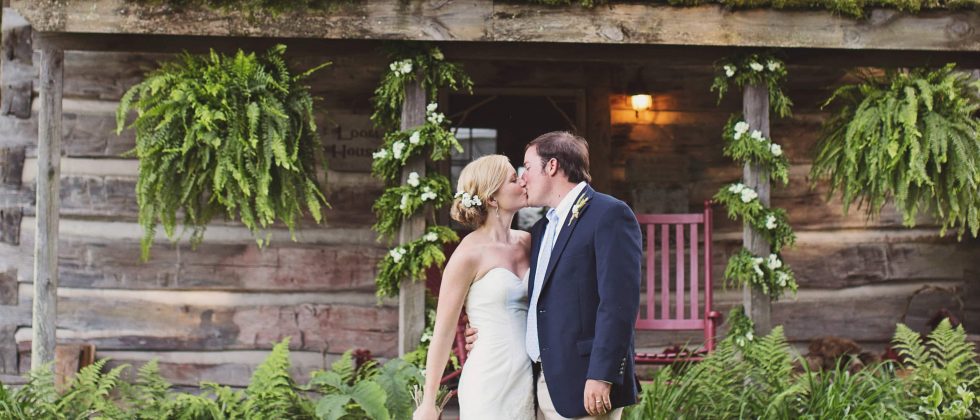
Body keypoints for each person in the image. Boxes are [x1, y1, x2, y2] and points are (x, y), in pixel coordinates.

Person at [468, 131, 642, 419]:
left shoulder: (609, 214)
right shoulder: (540, 230)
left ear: (552, 166)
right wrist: (484, 329)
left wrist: (602, 374)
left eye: (527, 167)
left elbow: (618, 304)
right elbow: (539, 301)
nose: (522, 178)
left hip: (586, 384)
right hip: (539, 382)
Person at [413, 154, 535, 420]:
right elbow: (443, 332)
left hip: (529, 379)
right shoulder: (467, 254)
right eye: (514, 179)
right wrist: (428, 402)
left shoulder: (529, 242)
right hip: (489, 377)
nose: (524, 182)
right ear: (492, 199)